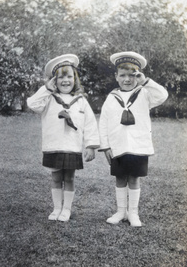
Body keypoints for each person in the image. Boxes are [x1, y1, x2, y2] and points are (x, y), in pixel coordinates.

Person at [99, 51, 168, 227]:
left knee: (135, 178)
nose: (127, 79)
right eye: (123, 75)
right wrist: (106, 146)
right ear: (116, 77)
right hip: (117, 144)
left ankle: (133, 213)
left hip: (138, 144)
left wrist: (145, 81)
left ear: (138, 76)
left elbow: (163, 95)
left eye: (132, 75)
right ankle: (121, 211)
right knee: (120, 177)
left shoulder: (145, 93)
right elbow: (104, 122)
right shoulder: (111, 97)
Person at [27, 54, 99, 222]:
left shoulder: (80, 101)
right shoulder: (48, 99)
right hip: (54, 145)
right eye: (61, 77)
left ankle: (66, 209)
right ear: (54, 80)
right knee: (56, 177)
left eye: (69, 76)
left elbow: (90, 123)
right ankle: (56, 208)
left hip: (72, 146)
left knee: (69, 178)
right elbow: (32, 104)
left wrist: (90, 145)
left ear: (75, 79)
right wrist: (46, 88)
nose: (65, 81)